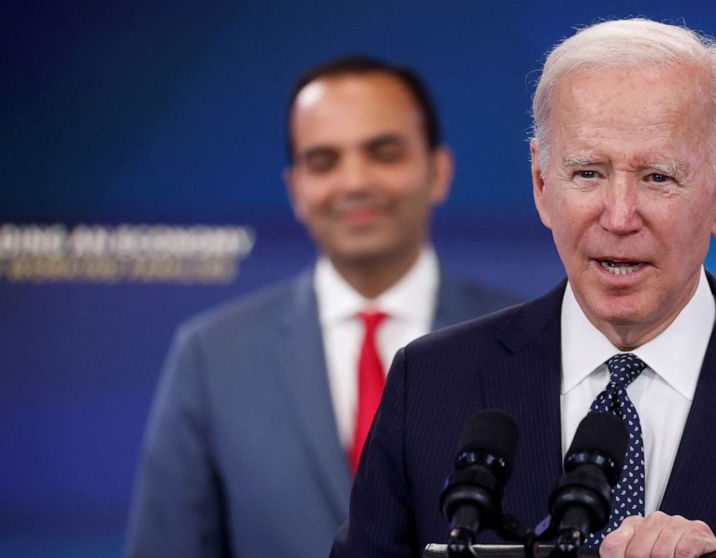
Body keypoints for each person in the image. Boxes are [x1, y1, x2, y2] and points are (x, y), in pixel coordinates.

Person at [332, 19, 716, 558]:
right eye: (588, 173)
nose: (619, 216)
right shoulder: (430, 386)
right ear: (541, 183)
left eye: (657, 177)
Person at [125, 56, 521, 557]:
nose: (354, 182)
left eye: (384, 152)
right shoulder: (211, 356)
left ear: (437, 171)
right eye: (324, 161)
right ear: (296, 190)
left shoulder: (528, 339)